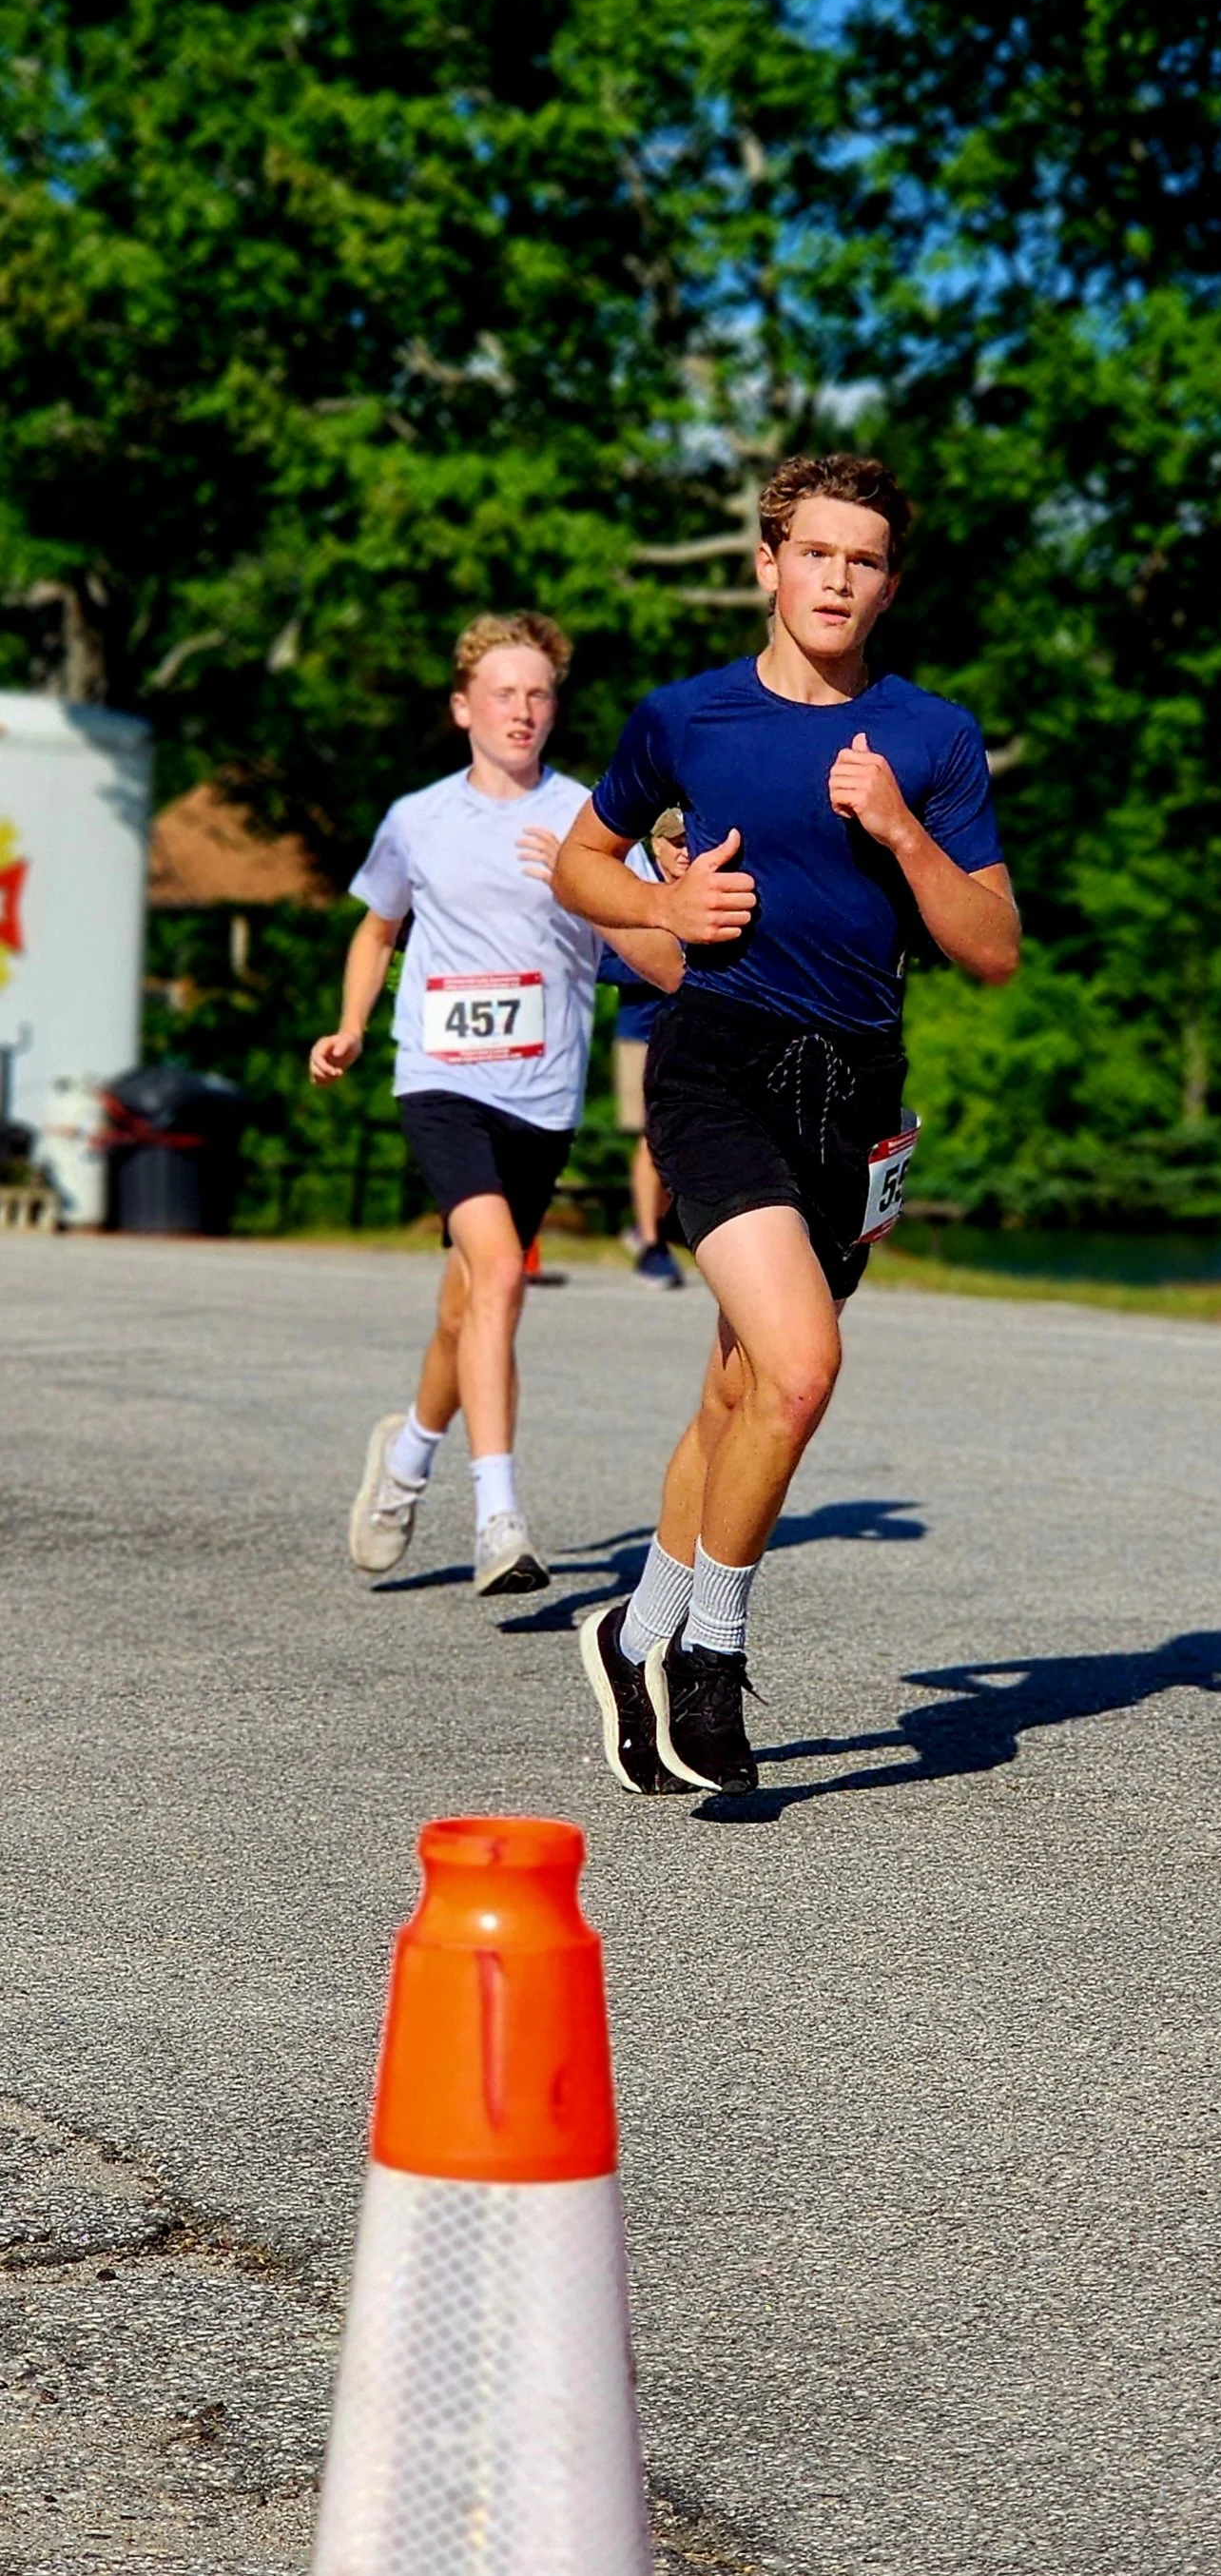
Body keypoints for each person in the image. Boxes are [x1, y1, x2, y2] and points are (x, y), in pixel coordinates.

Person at [552, 452, 1020, 1795]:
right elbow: (587, 858)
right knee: (800, 1366)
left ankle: (626, 1629)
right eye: (813, 552)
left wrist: (898, 831)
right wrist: (659, 909)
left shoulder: (927, 737)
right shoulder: (684, 719)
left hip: (855, 1087)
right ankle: (708, 1651)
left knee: (738, 1385)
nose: (835, 576)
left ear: (885, 584)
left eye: (862, 559)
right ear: (767, 563)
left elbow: (989, 946)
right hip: (717, 1060)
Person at [308, 611, 679, 1598]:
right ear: (463, 707)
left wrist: (587, 898)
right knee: (501, 1280)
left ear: (554, 709)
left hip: (542, 1091)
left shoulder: (589, 820)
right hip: (437, 1075)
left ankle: (405, 1460)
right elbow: (374, 929)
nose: (522, 709)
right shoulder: (417, 818)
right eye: (503, 693)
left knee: (464, 1303)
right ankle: (498, 1514)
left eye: (538, 693)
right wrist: (349, 1024)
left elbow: (655, 958)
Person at [602, 808, 690, 1287]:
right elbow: (601, 962)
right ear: (655, 845)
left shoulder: (705, 886)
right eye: (675, 842)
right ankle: (651, 1242)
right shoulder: (631, 889)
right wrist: (658, 966)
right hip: (640, 1029)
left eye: (689, 841)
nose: (684, 851)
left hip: (692, 1031)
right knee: (651, 1137)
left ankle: (646, 1228)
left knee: (677, 1140)